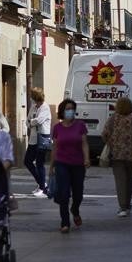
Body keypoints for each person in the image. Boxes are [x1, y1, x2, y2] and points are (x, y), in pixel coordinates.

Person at [48, 98, 89, 233]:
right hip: (62, 164)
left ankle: (75, 210)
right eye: (67, 109)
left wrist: (86, 158)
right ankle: (65, 222)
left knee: (78, 195)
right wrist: (51, 166)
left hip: (78, 164)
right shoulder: (57, 128)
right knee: (63, 194)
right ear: (62, 111)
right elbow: (55, 147)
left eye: (72, 109)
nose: (70, 111)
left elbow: (84, 143)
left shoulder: (80, 125)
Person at [102, 97, 132, 217]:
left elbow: (104, 134)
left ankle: (123, 207)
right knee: (129, 180)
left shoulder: (113, 119)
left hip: (117, 155)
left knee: (120, 181)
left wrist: (110, 143)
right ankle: (127, 204)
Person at [24, 87, 52, 198]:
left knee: (40, 163)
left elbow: (39, 120)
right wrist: (31, 122)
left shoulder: (45, 107)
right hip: (33, 138)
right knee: (27, 161)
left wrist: (31, 122)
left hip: (42, 138)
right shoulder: (34, 107)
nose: (31, 98)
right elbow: (28, 120)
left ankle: (42, 188)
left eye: (32, 96)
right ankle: (41, 183)